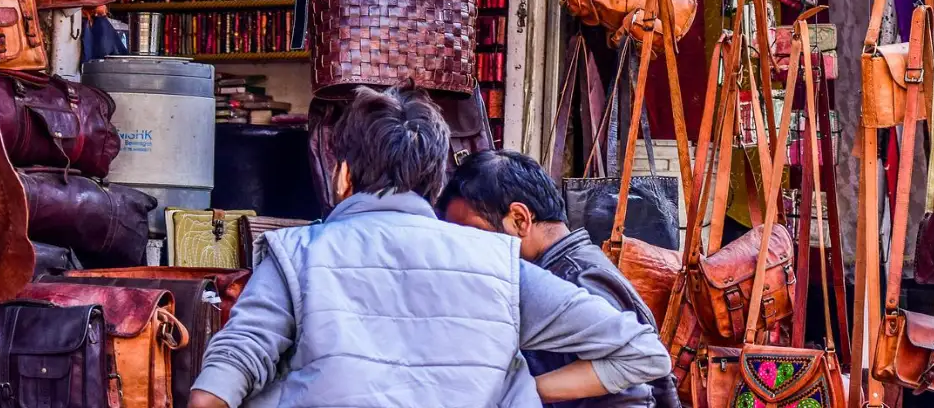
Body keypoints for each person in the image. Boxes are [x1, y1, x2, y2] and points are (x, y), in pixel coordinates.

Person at [188, 88, 671, 408]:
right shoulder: (499, 265)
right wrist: (517, 392)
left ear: (343, 177)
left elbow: (233, 365)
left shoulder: (296, 254)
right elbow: (644, 355)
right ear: (434, 183)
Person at [440, 150, 681, 408]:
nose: (466, 248)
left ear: (520, 219)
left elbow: (635, 388)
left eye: (473, 233)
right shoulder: (568, 267)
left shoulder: (576, 277)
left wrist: (519, 391)